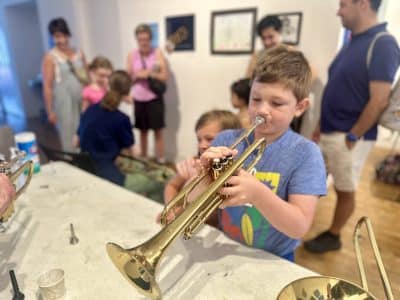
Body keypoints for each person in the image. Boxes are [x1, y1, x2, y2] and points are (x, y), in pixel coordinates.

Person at [185, 46, 327, 262]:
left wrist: (257, 194)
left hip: (275, 257)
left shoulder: (307, 154)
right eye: (256, 99)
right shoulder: (225, 139)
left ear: (299, 107)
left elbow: (299, 227)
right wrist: (202, 178)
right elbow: (190, 200)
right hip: (224, 247)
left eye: (276, 103)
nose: (262, 109)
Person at [304, 0, 400, 253]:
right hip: (329, 130)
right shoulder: (352, 42)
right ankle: (303, 221)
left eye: (343, 4)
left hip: (348, 135)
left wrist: (354, 134)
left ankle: (333, 235)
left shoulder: (384, 44)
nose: (338, 10)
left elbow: (379, 99)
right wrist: (318, 127)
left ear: (363, 4)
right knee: (314, 181)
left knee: (345, 188)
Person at [163, 110, 241, 207]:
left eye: (209, 139)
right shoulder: (193, 164)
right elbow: (171, 186)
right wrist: (171, 208)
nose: (202, 145)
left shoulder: (237, 173)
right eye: (199, 139)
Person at [75, 71, 135, 186]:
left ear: (107, 86)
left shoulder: (90, 109)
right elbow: (129, 152)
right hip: (108, 174)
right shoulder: (122, 119)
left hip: (83, 167)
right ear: (127, 93)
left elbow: (76, 142)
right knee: (153, 184)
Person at [42, 17, 88, 152]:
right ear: (52, 37)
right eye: (57, 36)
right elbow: (48, 86)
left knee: (86, 129)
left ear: (68, 35)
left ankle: (88, 163)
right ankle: (73, 164)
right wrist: (50, 111)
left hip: (82, 98)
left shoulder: (79, 53)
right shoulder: (50, 57)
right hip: (64, 101)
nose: (61, 40)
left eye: (63, 35)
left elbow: (87, 77)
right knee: (69, 134)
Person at [127, 24, 169, 163]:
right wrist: (137, 76)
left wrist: (149, 74)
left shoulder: (157, 53)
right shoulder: (132, 55)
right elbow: (127, 79)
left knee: (158, 131)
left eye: (146, 39)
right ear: (137, 40)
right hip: (139, 99)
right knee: (142, 132)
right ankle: (144, 160)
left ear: (150, 39)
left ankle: (161, 160)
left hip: (154, 98)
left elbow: (164, 77)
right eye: (140, 40)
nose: (143, 42)